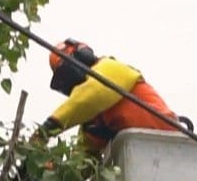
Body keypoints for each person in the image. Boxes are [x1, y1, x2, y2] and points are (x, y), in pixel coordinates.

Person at [35, 38, 182, 153]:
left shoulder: (108, 68)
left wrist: (45, 131)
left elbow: (89, 97)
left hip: (170, 144)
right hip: (142, 158)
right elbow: (83, 159)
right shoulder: (92, 117)